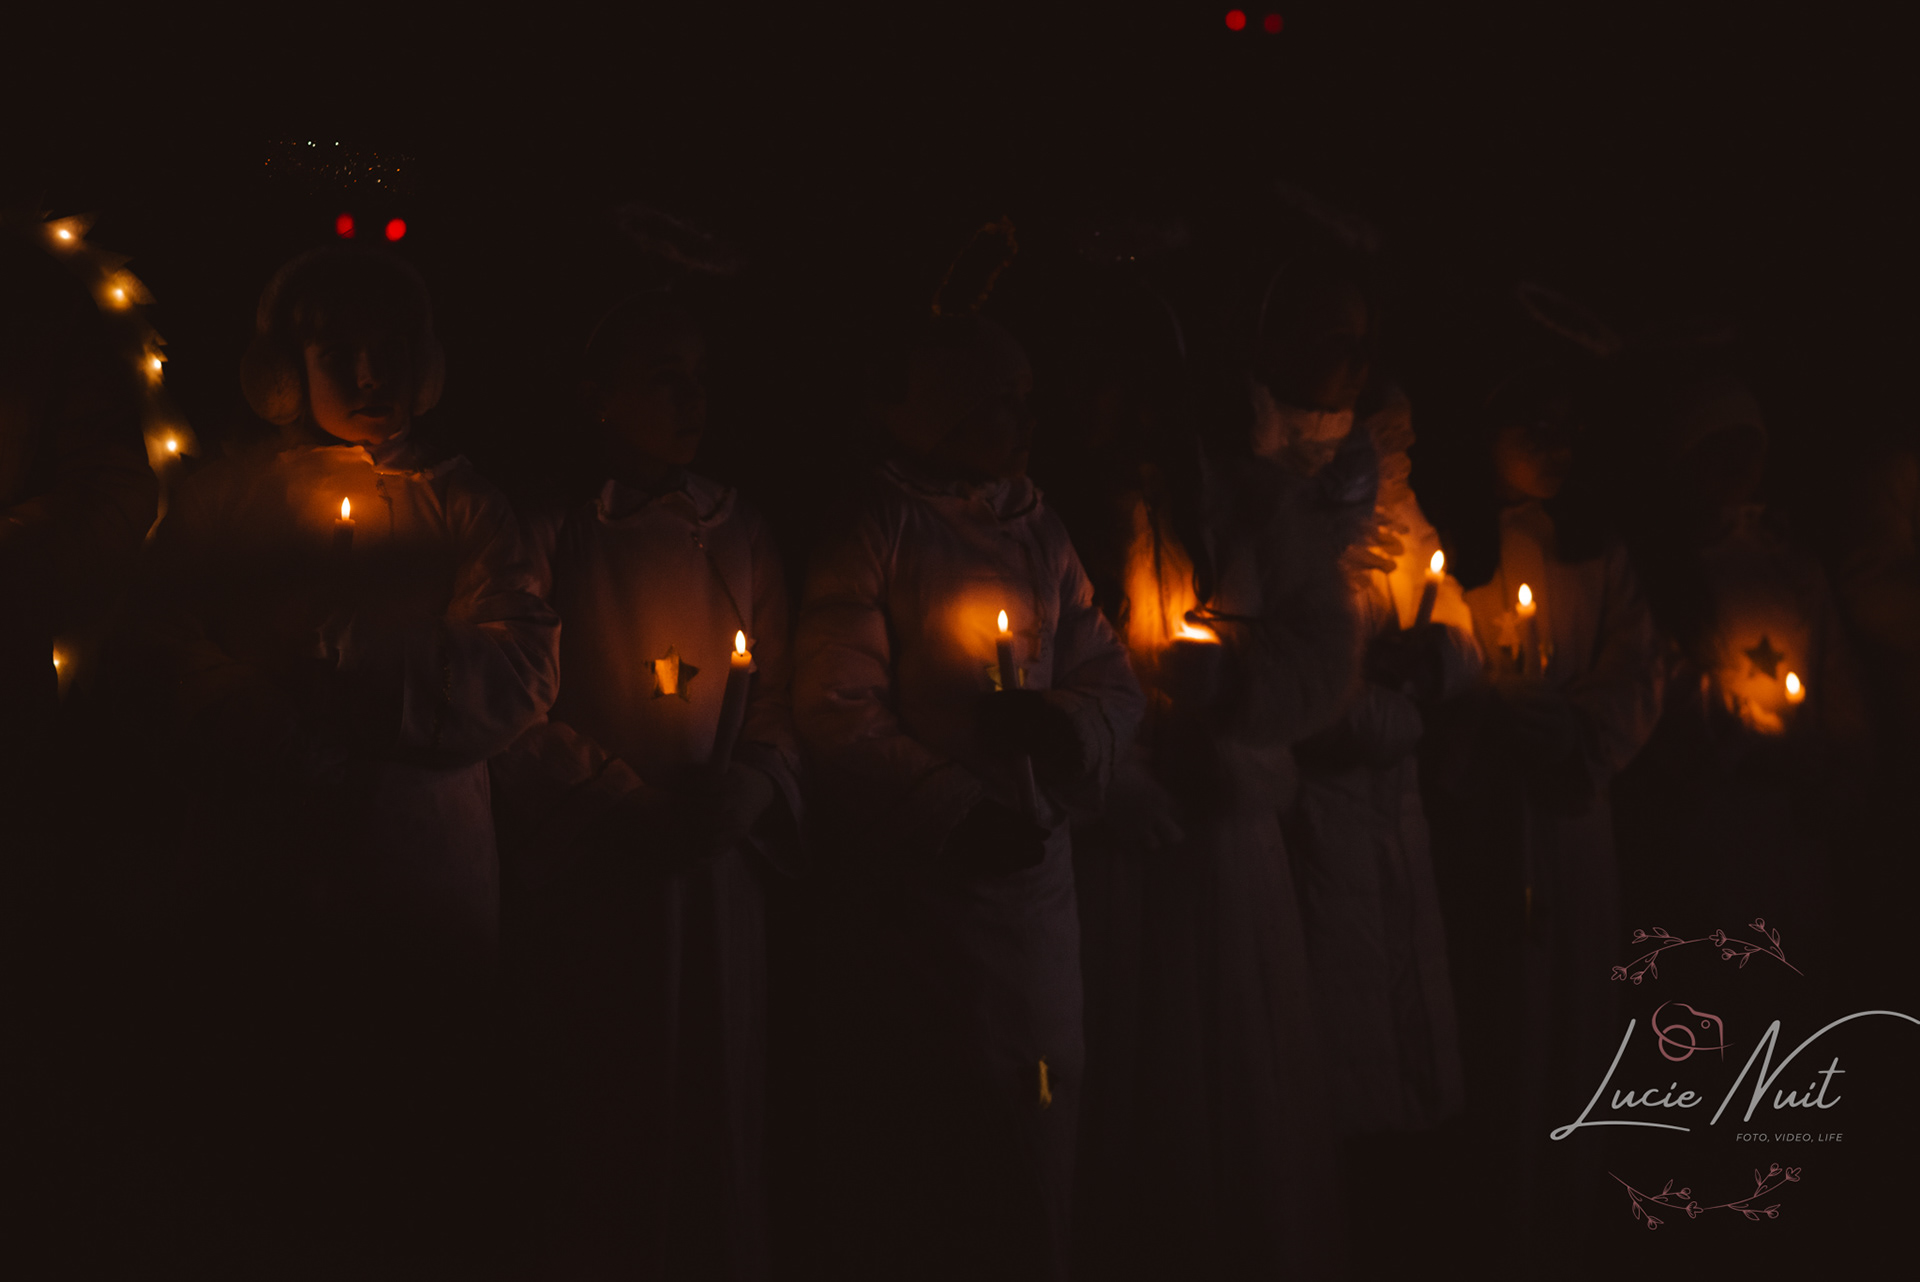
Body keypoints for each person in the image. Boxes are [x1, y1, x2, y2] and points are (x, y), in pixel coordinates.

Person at [113, 244, 558, 1272]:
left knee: (413, 1157)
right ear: (283, 369)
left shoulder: (465, 502)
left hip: (423, 877)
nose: (368, 373)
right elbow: (157, 642)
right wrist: (259, 720)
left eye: (390, 347)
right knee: (275, 1155)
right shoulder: (226, 500)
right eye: (338, 351)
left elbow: (523, 667)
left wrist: (367, 660)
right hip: (265, 871)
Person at [792, 304, 1142, 1282]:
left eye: (1028, 402)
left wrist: (1063, 725)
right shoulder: (879, 524)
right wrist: (952, 807)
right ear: (944, 409)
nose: (1025, 424)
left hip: (1036, 894)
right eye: (999, 403)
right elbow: (836, 703)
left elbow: (1111, 678)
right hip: (927, 899)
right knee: (944, 1140)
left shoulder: (1039, 527)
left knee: (1038, 1121)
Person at [1058, 251, 1359, 1280]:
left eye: (1109, 376)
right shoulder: (1045, 513)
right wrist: (1102, 774)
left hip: (1224, 851)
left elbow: (1325, 653)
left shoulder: (1247, 500)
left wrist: (1234, 683)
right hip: (1109, 848)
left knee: (1230, 1088)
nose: (1090, 400)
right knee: (1129, 1083)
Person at [489, 292, 802, 1279]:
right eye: (664, 377)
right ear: (599, 394)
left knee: (715, 1096)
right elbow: (513, 709)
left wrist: (751, 787)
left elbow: (782, 692)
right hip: (604, 878)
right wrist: (621, 802)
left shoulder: (737, 528)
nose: (691, 399)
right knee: (613, 1099)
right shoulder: (551, 529)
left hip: (718, 875)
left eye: (700, 377)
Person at [1423, 362, 1663, 1265]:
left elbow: (1640, 664)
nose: (1558, 449)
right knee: (1497, 1025)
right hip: (1485, 823)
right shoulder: (1453, 544)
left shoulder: (1594, 547)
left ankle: (1564, 1231)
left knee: (1572, 1026)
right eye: (1537, 430)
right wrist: (1484, 718)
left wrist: (1577, 733)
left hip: (1571, 824)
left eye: (1571, 431)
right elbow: (1429, 657)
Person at [1284, 382, 1473, 1139]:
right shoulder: (1291, 505)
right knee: (1340, 1030)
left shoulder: (1398, 505)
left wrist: (1436, 660)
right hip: (1319, 814)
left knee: (1406, 992)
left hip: (1397, 809)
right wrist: (1385, 708)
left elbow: (1450, 608)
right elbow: (1295, 681)